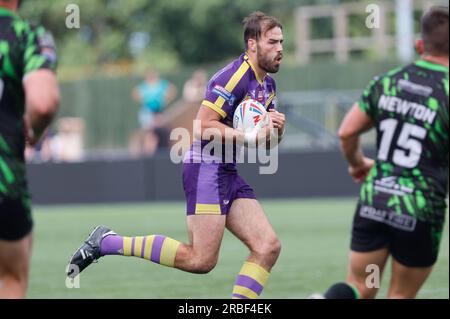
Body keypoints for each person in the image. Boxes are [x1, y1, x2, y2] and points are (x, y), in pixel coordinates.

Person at [67, 11, 286, 299]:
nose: (280, 48)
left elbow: (264, 145)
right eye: (272, 42)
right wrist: (247, 136)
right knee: (201, 260)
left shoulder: (267, 86)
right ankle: (106, 242)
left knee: (267, 246)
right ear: (252, 45)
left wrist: (275, 132)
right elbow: (200, 126)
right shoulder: (233, 77)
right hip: (206, 167)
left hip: (227, 170)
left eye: (282, 42)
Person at [318, 6, 448, 299]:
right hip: (419, 207)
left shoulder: (386, 82)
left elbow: (347, 132)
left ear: (420, 45)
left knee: (361, 286)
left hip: (375, 199)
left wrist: (356, 165)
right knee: (399, 294)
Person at [0, 0, 59, 298]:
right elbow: (43, 102)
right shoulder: (25, 35)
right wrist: (33, 132)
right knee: (10, 278)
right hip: (4, 181)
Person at [130, 69, 177, 156]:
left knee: (166, 131)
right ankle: (149, 154)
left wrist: (166, 100)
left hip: (159, 111)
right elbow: (135, 93)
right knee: (149, 133)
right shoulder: (144, 86)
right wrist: (144, 101)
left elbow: (172, 90)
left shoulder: (161, 84)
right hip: (148, 111)